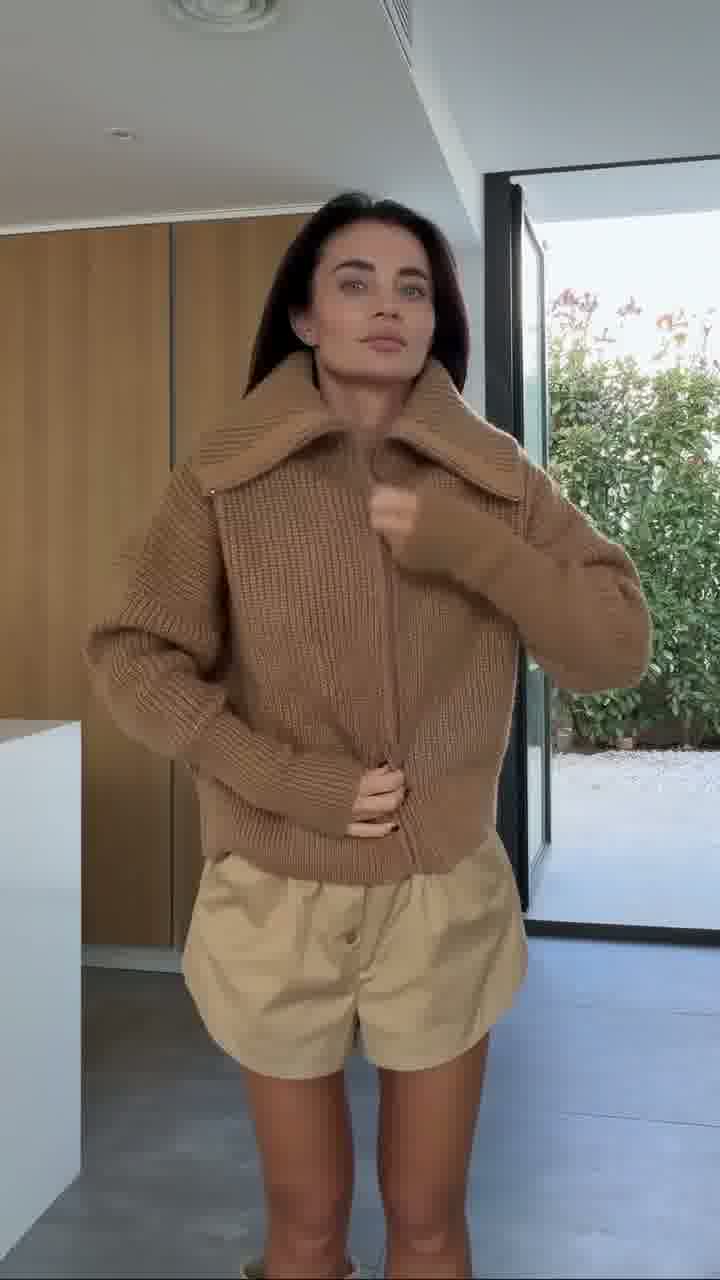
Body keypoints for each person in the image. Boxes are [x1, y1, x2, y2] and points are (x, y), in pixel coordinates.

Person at [85, 192, 651, 1280]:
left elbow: (614, 647)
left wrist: (475, 548)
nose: (389, 306)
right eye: (356, 282)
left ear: (439, 320)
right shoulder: (222, 476)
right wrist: (282, 777)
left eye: (413, 288)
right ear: (304, 315)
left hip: (442, 894)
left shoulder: (499, 478)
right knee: (304, 1225)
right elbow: (133, 657)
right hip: (274, 889)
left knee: (429, 1220)